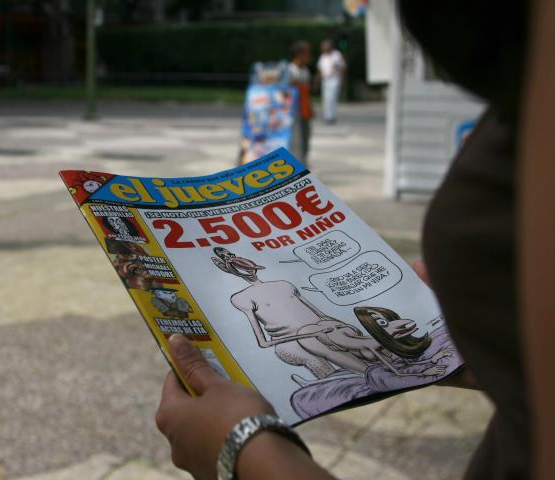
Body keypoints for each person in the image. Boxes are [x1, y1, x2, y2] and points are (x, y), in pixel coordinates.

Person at [155, 1, 553, 479]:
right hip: (312, 339)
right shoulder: (523, 64)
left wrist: (242, 450)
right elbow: (264, 331)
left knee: (359, 352)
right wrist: (494, 345)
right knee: (342, 355)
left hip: (326, 335)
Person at [288, 40, 314, 164]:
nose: (309, 57)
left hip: (304, 110)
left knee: (306, 137)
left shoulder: (305, 70)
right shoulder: (290, 70)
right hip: (294, 111)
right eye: (307, 54)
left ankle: (303, 162)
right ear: (300, 54)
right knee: (295, 139)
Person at [315, 39, 346, 125]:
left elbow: (343, 67)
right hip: (325, 79)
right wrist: (317, 80)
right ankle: (327, 116)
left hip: (335, 78)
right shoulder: (322, 57)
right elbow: (320, 69)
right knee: (326, 98)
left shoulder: (337, 55)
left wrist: (337, 68)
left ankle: (332, 116)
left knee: (332, 97)